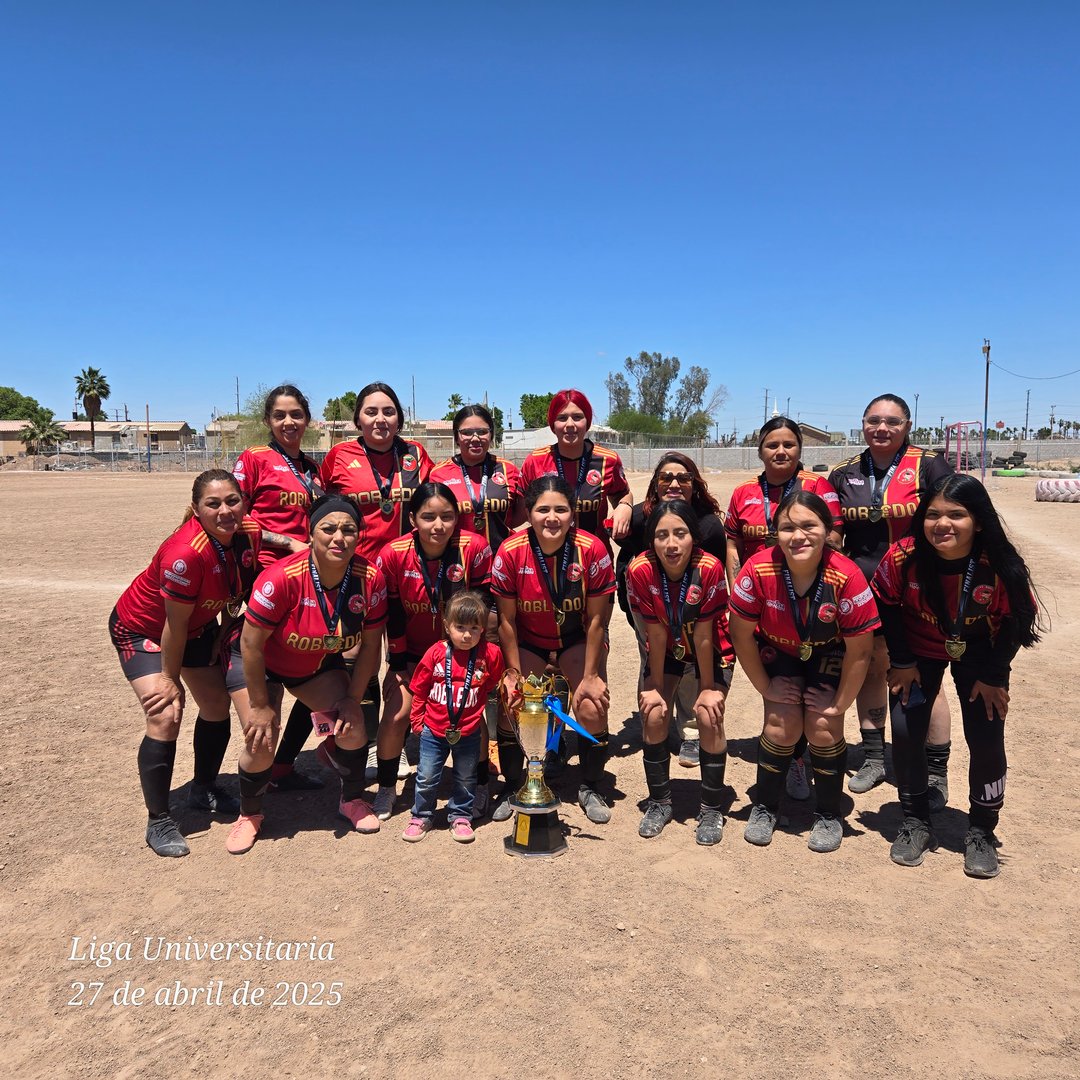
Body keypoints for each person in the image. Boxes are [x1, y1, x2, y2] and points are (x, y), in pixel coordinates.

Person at [872, 474, 1043, 877]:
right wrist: (901, 661)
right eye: (932, 515)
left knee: (986, 738)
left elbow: (1021, 618)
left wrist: (995, 675)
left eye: (957, 515)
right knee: (906, 728)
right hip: (917, 652)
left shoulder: (998, 564)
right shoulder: (903, 557)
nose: (942, 524)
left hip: (981, 654)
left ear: (978, 521)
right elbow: (887, 604)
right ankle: (915, 821)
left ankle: (982, 830)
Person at [220, 495, 386, 854]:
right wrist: (261, 705)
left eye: (348, 529)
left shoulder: (369, 578)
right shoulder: (281, 576)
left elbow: (371, 648)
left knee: (352, 723)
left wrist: (352, 700)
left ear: (359, 535)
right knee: (262, 737)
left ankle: (352, 800)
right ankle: (249, 815)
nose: (338, 537)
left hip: (313, 663)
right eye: (328, 528)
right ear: (311, 534)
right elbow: (250, 644)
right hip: (259, 662)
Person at [110, 469, 261, 857]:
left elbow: (235, 590)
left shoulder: (245, 533)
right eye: (213, 504)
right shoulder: (185, 554)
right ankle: (158, 820)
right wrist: (168, 679)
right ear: (195, 509)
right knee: (166, 713)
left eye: (232, 500)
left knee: (214, 704)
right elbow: (172, 628)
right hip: (143, 631)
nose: (225, 510)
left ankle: (203, 787)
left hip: (195, 628)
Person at [729, 491, 880, 852]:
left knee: (823, 726)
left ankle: (828, 814)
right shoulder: (758, 568)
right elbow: (740, 634)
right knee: (782, 724)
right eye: (787, 527)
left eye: (809, 525)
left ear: (828, 530)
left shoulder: (846, 574)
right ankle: (765, 806)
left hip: (829, 651)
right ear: (774, 533)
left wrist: (839, 704)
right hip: (778, 649)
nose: (798, 536)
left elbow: (861, 651)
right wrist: (766, 688)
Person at [830, 394, 953, 801]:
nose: (882, 428)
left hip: (920, 591)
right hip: (864, 591)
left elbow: (953, 519)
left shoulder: (931, 465)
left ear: (908, 425)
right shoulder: (844, 473)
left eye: (892, 421)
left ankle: (935, 772)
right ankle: (873, 757)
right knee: (870, 668)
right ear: (862, 423)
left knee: (928, 678)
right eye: (874, 420)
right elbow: (833, 533)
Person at [319, 382, 434, 778]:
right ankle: (368, 742)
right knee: (356, 661)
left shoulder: (415, 454)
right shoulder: (338, 456)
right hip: (358, 574)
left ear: (399, 417)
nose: (380, 419)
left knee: (400, 657)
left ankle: (396, 738)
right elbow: (323, 512)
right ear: (358, 419)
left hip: (406, 572)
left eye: (388, 411)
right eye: (371, 411)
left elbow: (431, 505)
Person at [725, 417, 843, 800]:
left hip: (810, 604)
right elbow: (732, 545)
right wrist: (736, 588)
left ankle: (804, 755)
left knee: (812, 693)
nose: (780, 451)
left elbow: (836, 537)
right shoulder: (743, 493)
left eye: (788, 444)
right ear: (759, 450)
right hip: (763, 603)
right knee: (780, 692)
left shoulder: (818, 487)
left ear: (800, 448)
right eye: (772, 444)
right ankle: (791, 759)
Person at [491, 476, 616, 824]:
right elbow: (506, 621)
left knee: (591, 704)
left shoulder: (591, 549)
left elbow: (596, 621)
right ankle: (515, 784)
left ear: (572, 513)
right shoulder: (511, 551)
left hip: (575, 638)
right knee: (512, 705)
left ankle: (591, 785)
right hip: (531, 641)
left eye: (561, 509)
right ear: (528, 513)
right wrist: (513, 674)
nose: (552, 517)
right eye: (542, 509)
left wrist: (591, 676)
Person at [373, 483, 493, 822]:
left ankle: (480, 783)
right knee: (396, 714)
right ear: (412, 518)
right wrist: (397, 664)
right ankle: (385, 787)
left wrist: (481, 658)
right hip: (412, 654)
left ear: (457, 519)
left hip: (461, 655)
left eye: (446, 517)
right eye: (428, 517)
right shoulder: (393, 553)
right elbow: (392, 611)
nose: (437, 525)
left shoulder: (475, 548)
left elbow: (484, 609)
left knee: (472, 718)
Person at [232, 384, 326, 793]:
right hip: (269, 579)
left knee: (311, 668)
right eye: (280, 415)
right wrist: (286, 543)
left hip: (309, 579)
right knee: (266, 686)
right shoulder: (255, 458)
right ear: (269, 421)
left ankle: (283, 767)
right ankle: (254, 788)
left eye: (296, 414)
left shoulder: (311, 467)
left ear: (307, 419)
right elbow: (233, 515)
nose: (289, 422)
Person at [626, 501, 733, 845]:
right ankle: (659, 802)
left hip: (710, 651)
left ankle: (712, 808)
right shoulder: (640, 569)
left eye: (680, 533)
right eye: (661, 535)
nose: (671, 544)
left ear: (694, 538)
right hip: (668, 647)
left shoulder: (710, 567)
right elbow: (655, 632)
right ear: (651, 541)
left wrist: (707, 687)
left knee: (707, 714)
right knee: (654, 713)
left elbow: (705, 635)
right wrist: (655, 686)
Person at [615, 452, 727, 768]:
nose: (674, 483)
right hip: (648, 603)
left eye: (683, 477)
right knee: (652, 657)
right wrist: (624, 504)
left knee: (691, 663)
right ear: (655, 484)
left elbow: (714, 568)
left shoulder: (709, 525)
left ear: (695, 484)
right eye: (666, 477)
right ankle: (656, 722)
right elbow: (624, 558)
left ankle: (690, 732)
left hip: (692, 603)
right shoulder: (639, 517)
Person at [402, 591, 506, 843]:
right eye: (460, 627)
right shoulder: (436, 653)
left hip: (469, 732)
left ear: (483, 629)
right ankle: (422, 815)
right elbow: (420, 689)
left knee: (466, 776)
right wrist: (417, 720)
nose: (467, 634)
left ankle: (460, 815)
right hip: (433, 730)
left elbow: (493, 679)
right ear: (447, 626)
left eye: (474, 628)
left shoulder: (489, 654)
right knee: (426, 775)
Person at [520, 389, 633, 550]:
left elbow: (623, 493)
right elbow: (519, 507)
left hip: (595, 560)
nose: (570, 424)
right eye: (562, 418)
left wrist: (625, 506)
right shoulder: (535, 460)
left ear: (587, 422)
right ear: (552, 423)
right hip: (545, 558)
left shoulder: (608, 460)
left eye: (578, 417)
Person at [430, 403, 525, 552]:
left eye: (482, 431)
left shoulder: (508, 469)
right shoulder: (439, 473)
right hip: (457, 561)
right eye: (467, 432)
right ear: (456, 437)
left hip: (501, 558)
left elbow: (520, 514)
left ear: (491, 434)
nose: (475, 438)